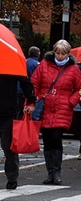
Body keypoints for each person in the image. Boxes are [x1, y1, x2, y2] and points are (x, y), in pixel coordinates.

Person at [30, 39, 81, 185]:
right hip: (46, 107)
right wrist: (35, 99)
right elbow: (34, 83)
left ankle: (56, 171)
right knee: (47, 140)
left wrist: (71, 102)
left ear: (67, 54)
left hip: (63, 108)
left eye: (63, 54)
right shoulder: (44, 65)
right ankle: (50, 172)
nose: (60, 56)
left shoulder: (74, 69)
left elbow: (79, 89)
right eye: (58, 53)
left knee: (56, 138)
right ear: (54, 52)